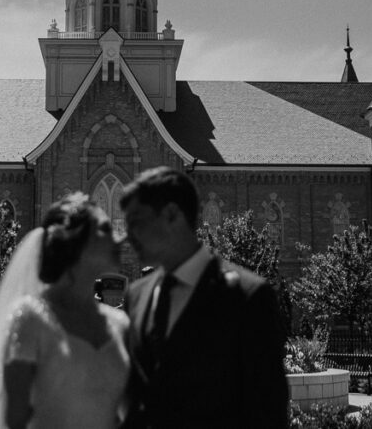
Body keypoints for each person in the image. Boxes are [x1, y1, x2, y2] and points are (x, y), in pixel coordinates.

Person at [0, 193, 129, 429]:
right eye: (106, 229)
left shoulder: (120, 324)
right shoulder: (31, 319)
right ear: (77, 243)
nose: (120, 238)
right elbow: (15, 420)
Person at [119, 167, 288, 429]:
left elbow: (267, 413)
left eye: (136, 222)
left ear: (172, 215)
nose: (127, 236)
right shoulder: (136, 296)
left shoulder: (247, 297)